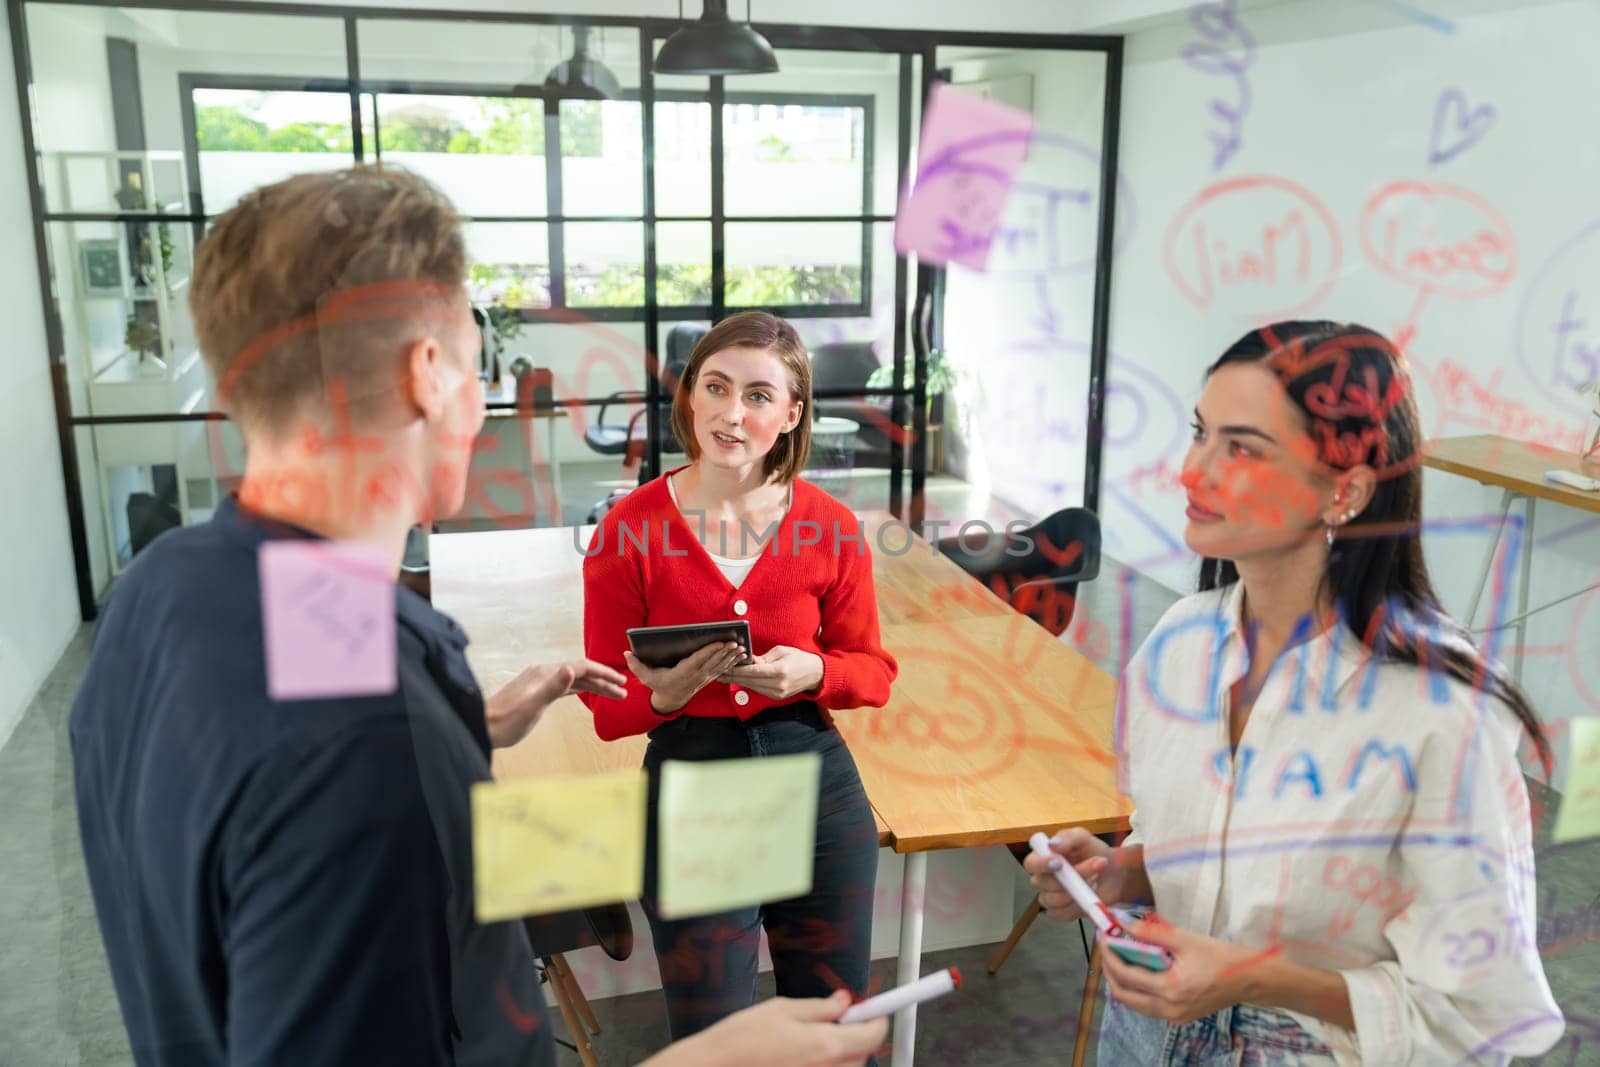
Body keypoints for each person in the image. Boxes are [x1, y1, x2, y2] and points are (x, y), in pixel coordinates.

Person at [70, 166, 886, 1067]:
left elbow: (280, 766)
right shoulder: (367, 726)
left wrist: (461, 729)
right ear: (429, 374)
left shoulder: (161, 592)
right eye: (475, 355)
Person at [1026, 322, 1564, 1063]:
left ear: (1345, 490)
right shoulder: (1174, 651)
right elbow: (1210, 853)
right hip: (1144, 1038)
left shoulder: (1442, 711)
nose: (1190, 470)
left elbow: (1478, 1014)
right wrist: (1124, 872)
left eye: (1241, 448)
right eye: (1199, 432)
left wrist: (1253, 978)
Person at [580, 310, 898, 1041]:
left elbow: (873, 671)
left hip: (816, 785)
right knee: (712, 1035)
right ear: (689, 396)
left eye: (759, 395)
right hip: (696, 788)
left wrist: (814, 671)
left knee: (833, 1026)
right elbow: (607, 709)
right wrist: (661, 695)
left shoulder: (834, 527)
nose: (732, 412)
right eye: (716, 386)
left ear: (791, 414)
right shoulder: (628, 531)